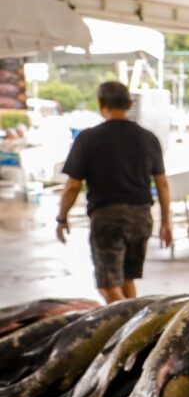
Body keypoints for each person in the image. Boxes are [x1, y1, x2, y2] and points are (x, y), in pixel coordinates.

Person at [56, 81, 173, 303]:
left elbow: (72, 186)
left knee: (108, 286)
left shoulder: (88, 138)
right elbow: (162, 184)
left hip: (107, 217)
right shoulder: (148, 138)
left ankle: (129, 332)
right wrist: (166, 221)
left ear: (101, 104)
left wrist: (62, 217)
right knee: (127, 280)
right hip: (141, 217)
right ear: (129, 104)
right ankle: (136, 325)